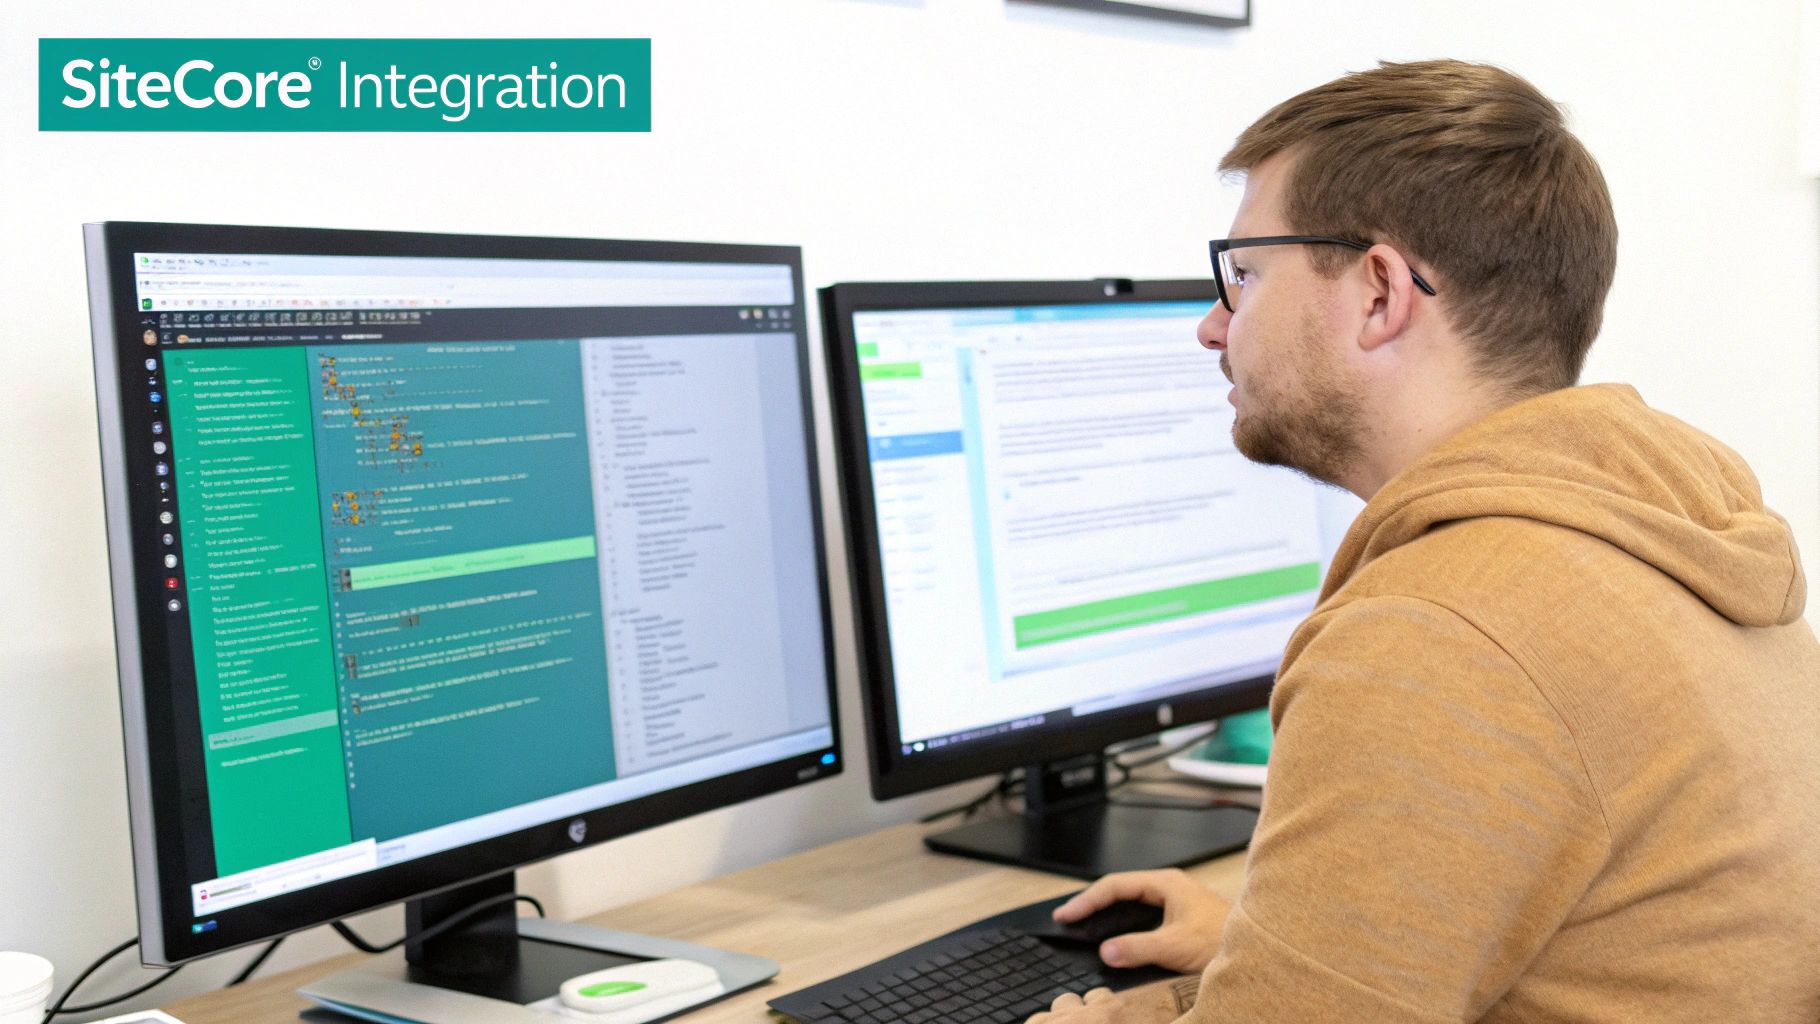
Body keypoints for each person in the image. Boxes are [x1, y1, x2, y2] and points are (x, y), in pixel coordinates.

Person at [1027, 59, 1820, 1024]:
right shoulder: (1659, 534)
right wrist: (1265, 947)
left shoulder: (1438, 630)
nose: (1210, 326)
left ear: (1378, 291)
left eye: (1245, 275)